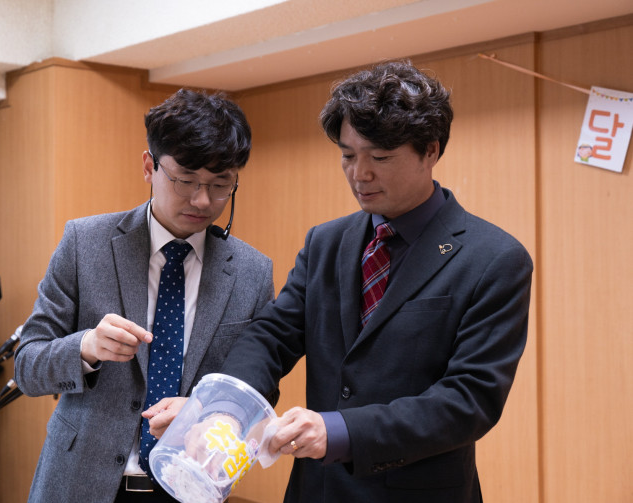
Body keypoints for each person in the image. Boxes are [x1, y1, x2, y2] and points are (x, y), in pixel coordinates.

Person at [149, 60, 533, 502]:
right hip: (318, 490)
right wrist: (225, 409)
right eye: (348, 155)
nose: (359, 174)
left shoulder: (493, 258)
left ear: (430, 150)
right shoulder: (327, 242)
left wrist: (339, 430)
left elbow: (468, 400)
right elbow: (272, 336)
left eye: (380, 157)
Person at [14, 89, 275, 503]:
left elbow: (258, 387)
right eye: (185, 180)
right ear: (149, 167)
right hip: (79, 484)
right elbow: (27, 366)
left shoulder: (252, 272)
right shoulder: (85, 243)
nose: (202, 200)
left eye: (221, 185)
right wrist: (86, 346)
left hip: (187, 488)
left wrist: (205, 411)